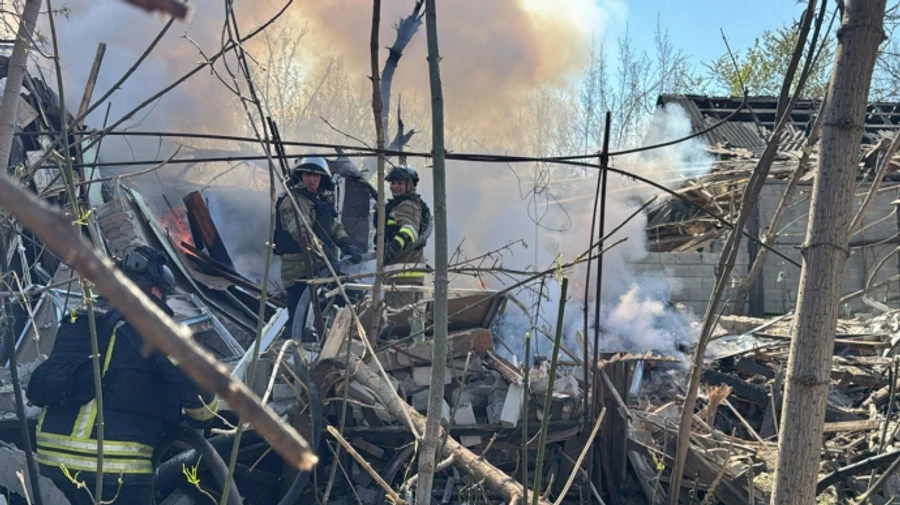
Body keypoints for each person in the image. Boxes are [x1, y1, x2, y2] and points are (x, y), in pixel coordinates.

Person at [27, 245, 219, 505]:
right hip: (109, 466)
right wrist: (202, 418)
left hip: (50, 460)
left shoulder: (80, 317)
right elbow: (200, 395)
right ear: (154, 291)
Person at [274, 156, 363, 333]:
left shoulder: (319, 200)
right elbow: (302, 233)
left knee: (345, 298)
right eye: (308, 174)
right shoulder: (293, 202)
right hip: (299, 268)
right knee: (299, 313)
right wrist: (326, 255)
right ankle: (296, 345)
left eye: (316, 175)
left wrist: (346, 243)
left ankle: (334, 338)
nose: (312, 179)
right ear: (300, 175)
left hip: (320, 264)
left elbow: (333, 226)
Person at [376, 165, 432, 309]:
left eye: (400, 183)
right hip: (407, 273)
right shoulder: (405, 204)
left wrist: (393, 247)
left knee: (397, 320)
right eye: (393, 183)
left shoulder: (406, 205)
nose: (395, 187)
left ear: (410, 185)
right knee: (414, 320)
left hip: (402, 274)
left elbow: (409, 230)